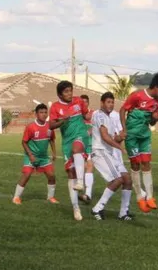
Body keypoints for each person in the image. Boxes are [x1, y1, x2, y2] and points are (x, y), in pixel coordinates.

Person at [120, 72, 158, 213]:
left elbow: (153, 117)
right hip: (132, 136)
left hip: (144, 136)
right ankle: (139, 198)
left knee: (146, 163)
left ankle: (149, 197)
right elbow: (123, 109)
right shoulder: (137, 96)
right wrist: (124, 129)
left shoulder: (157, 101)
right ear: (155, 87)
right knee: (135, 164)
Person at [49, 80, 91, 221]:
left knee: (77, 147)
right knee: (70, 173)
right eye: (66, 91)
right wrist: (63, 120)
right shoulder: (55, 107)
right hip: (67, 141)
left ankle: (81, 182)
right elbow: (51, 125)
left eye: (70, 90)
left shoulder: (78, 101)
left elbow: (87, 115)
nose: (70, 93)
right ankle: (76, 208)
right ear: (60, 94)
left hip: (81, 135)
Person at [90, 92, 133, 221]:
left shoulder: (109, 118)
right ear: (102, 103)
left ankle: (123, 213)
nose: (111, 104)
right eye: (108, 102)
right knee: (117, 180)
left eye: (112, 102)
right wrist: (119, 146)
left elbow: (112, 137)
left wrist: (120, 137)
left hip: (107, 153)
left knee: (127, 179)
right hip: (99, 152)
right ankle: (97, 208)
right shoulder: (100, 116)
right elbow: (104, 136)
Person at [12, 104, 59, 205]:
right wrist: (31, 155)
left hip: (44, 157)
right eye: (41, 112)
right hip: (31, 156)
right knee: (27, 175)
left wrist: (54, 153)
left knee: (51, 176)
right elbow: (23, 142)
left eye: (45, 112)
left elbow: (51, 140)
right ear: (36, 114)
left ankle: (50, 197)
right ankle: (16, 197)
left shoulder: (49, 126)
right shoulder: (31, 127)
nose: (44, 114)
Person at [78, 94, 95, 204]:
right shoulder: (77, 115)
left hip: (90, 145)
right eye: (82, 102)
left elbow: (98, 125)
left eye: (85, 102)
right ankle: (81, 191)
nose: (84, 104)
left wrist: (91, 130)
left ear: (88, 103)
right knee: (80, 169)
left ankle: (88, 194)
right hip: (79, 145)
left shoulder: (93, 113)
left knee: (89, 166)